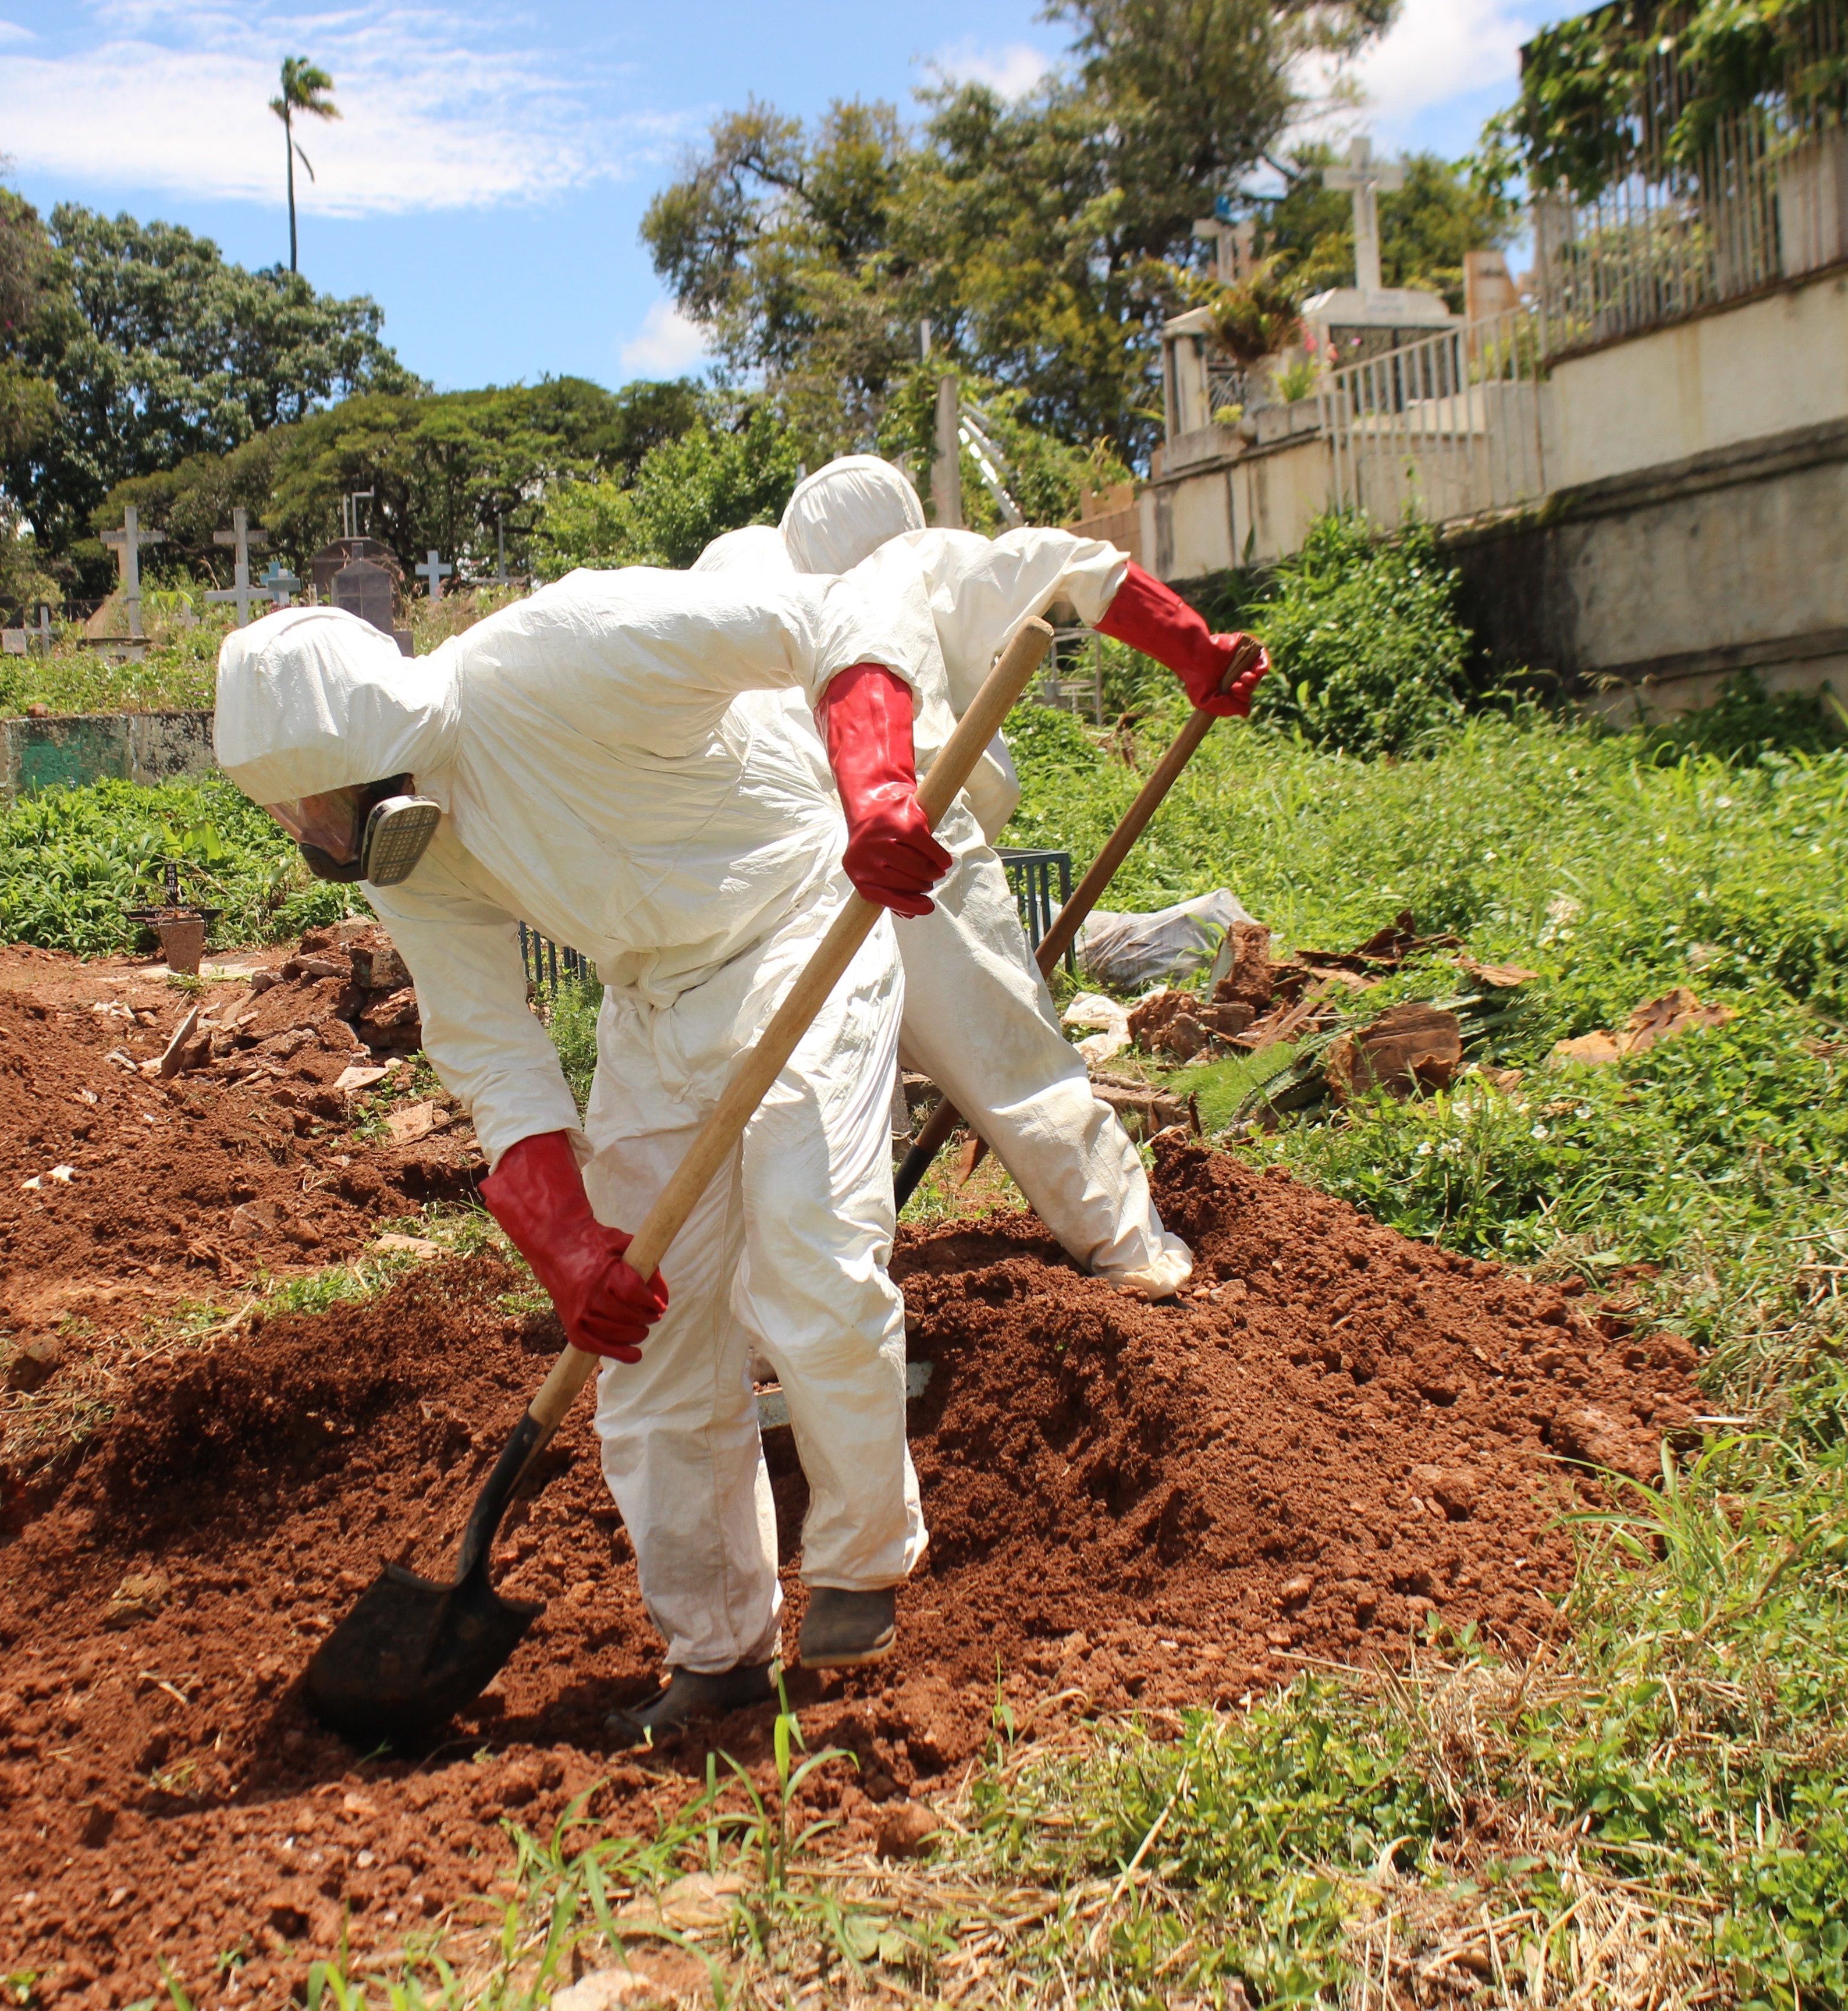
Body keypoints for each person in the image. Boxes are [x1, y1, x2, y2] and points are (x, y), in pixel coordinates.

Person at [216, 566, 947, 1739]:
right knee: (649, 1349)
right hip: (653, 1000)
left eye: (323, 806)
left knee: (809, 1259)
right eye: (294, 820)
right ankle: (714, 1651)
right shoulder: (403, 854)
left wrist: (878, 786)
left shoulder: (561, 651)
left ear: (380, 750)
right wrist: (566, 1244)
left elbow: (831, 613)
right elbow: (490, 1043)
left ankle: (862, 1569)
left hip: (803, 919)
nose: (318, 839)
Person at [774, 457, 1269, 1297]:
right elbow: (1077, 564)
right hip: (912, 840)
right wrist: (1197, 648)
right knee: (1018, 1069)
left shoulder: (791, 617)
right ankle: (1133, 1255)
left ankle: (813, 1313)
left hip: (789, 858)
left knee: (830, 1101)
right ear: (899, 516)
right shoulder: (919, 562)